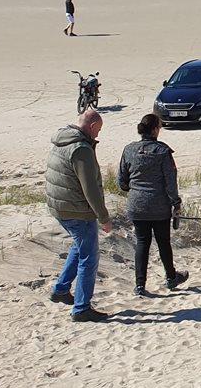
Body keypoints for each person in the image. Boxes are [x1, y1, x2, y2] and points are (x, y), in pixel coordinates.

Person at [46, 109, 111, 322]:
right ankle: (82, 308)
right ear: (92, 126)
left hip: (59, 207)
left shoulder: (62, 140)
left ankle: (61, 290)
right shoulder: (81, 149)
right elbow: (90, 188)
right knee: (89, 257)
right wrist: (103, 217)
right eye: (98, 130)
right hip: (77, 211)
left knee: (79, 246)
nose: (98, 135)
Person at [119, 114, 187, 296]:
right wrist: (176, 202)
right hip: (159, 205)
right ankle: (171, 277)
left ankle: (140, 285)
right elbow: (170, 182)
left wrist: (134, 189)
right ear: (155, 129)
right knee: (163, 241)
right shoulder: (163, 151)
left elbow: (122, 181)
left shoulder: (129, 150)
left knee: (142, 242)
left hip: (137, 205)